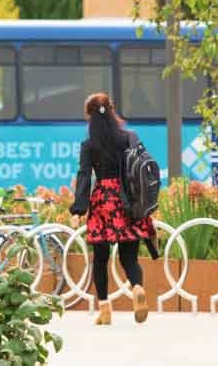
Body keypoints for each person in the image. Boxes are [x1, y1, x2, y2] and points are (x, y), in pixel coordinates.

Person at [70, 92, 155, 325]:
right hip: (128, 199)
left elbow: (84, 176)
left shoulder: (89, 145)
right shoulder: (128, 137)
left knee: (100, 258)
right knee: (129, 257)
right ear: (112, 111)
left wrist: (78, 209)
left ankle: (105, 310)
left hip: (103, 202)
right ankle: (137, 287)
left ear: (90, 117)